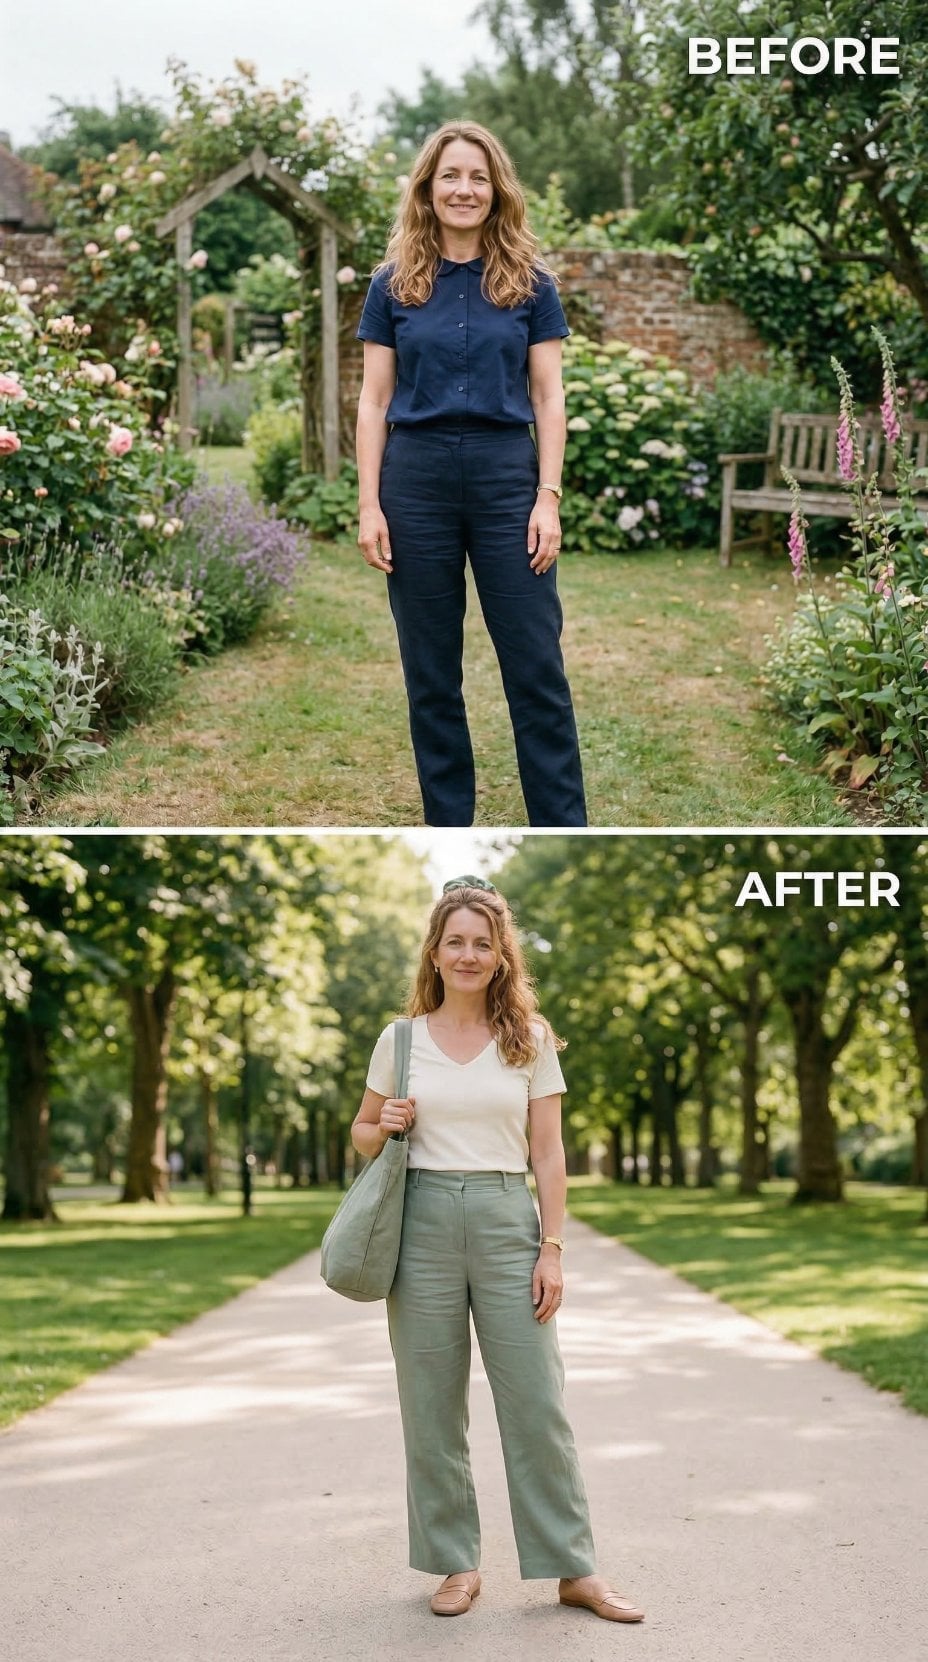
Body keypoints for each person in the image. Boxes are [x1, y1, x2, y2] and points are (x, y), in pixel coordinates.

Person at [350, 877, 644, 1623]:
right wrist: (383, 1119)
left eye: (483, 942)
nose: (470, 954)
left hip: (508, 1218)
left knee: (538, 1402)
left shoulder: (530, 1039)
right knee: (431, 1404)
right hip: (421, 1224)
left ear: (500, 953)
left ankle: (574, 1569)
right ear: (436, 952)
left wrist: (552, 1249)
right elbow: (359, 1134)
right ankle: (455, 1564)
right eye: (457, 941)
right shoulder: (401, 1039)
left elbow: (548, 1154)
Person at [355, 121, 587, 830]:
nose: (464, 189)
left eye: (477, 177)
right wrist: (369, 503)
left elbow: (549, 397)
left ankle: (564, 825)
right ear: (427, 187)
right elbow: (373, 400)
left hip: (505, 478)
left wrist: (547, 497)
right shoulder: (391, 285)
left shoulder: (530, 284)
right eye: (450, 175)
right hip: (415, 481)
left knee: (536, 669)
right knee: (431, 676)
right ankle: (448, 824)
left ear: (496, 190)